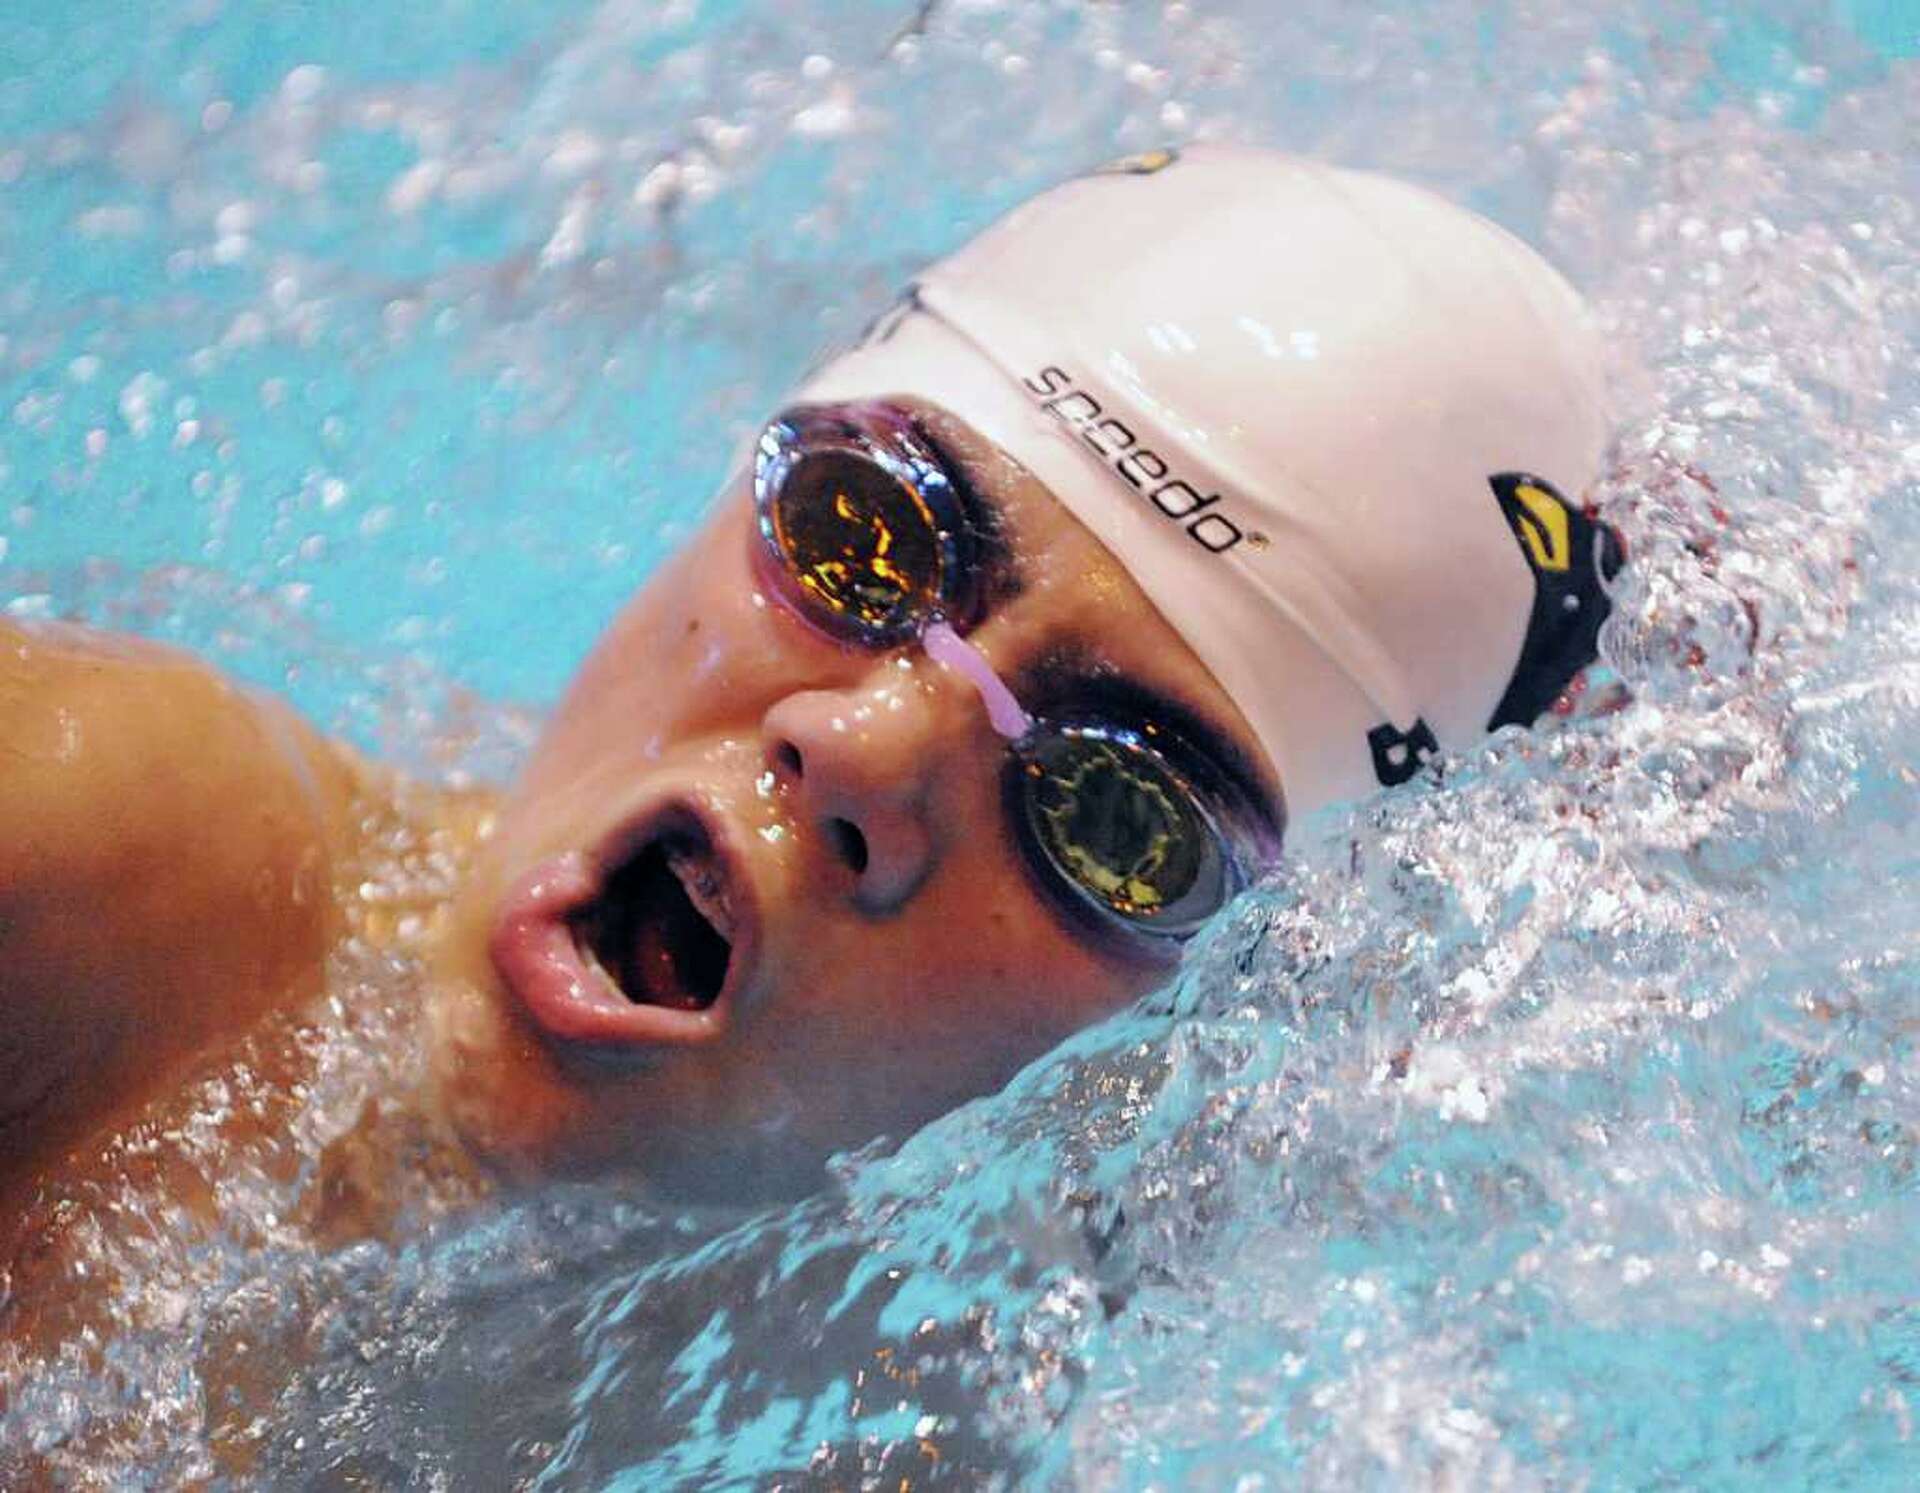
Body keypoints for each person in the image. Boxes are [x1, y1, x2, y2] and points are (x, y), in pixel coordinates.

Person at [0, 145, 1624, 1218]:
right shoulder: (126, 857)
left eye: (1115, 814)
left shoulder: (935, 1403)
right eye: (860, 535)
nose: (859, 743)